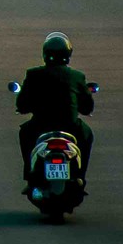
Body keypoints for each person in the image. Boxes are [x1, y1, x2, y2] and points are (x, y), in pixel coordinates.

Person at [16, 33, 96, 180]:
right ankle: (80, 176)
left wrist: (24, 108)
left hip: (40, 125)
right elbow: (87, 107)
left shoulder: (33, 74)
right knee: (87, 135)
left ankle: (30, 172)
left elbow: (22, 105)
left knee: (24, 133)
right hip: (70, 125)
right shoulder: (77, 76)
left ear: (45, 53)